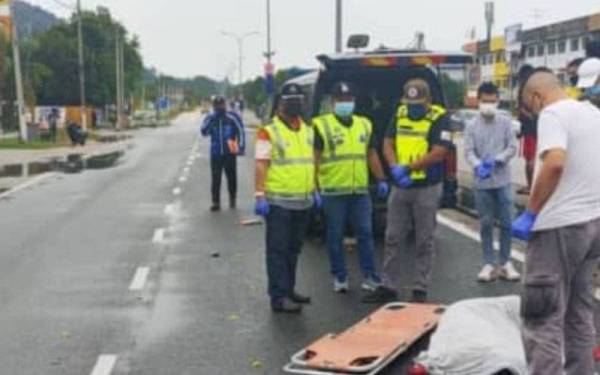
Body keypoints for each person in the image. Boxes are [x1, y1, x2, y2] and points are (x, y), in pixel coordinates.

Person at [512, 68, 600, 375]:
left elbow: (555, 162)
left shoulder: (553, 114)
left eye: (529, 107)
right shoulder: (592, 113)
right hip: (592, 224)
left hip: (557, 228)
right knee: (579, 313)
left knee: (542, 317)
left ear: (536, 97)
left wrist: (531, 212)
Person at [363, 78, 452, 304]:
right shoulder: (400, 113)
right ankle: (388, 285)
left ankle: (420, 288)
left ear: (428, 100)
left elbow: (440, 152)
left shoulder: (440, 117)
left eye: (418, 103)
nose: (413, 107)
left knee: (424, 239)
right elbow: (387, 142)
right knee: (392, 236)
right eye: (410, 103)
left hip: (427, 187)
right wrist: (393, 167)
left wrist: (409, 168)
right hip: (401, 186)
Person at [313, 82, 389, 293]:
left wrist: (381, 179)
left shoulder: (363, 124)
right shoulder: (321, 125)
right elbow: (315, 159)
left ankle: (370, 277)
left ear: (354, 101)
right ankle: (340, 276)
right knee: (335, 235)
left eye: (348, 100)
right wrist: (314, 187)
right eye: (341, 100)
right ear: (333, 102)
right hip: (333, 191)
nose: (345, 103)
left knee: (365, 232)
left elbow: (371, 153)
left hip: (359, 191)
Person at [254, 83, 317, 313]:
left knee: (294, 250)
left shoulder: (307, 129)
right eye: (290, 101)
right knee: (278, 251)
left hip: (303, 200)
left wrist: (315, 190)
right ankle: (278, 297)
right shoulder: (268, 131)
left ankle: (289, 290)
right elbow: (261, 164)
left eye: (298, 100)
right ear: (280, 104)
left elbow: (311, 162)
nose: (295, 104)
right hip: (279, 202)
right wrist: (260, 194)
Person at [464, 82, 519, 282]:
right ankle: (489, 262)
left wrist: (497, 159)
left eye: (492, 101)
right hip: (482, 182)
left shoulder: (506, 122)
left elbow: (512, 147)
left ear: (497, 101)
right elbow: (468, 151)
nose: (489, 105)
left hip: (503, 180)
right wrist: (478, 165)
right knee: (486, 223)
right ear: (478, 101)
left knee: (506, 223)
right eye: (485, 101)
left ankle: (505, 262)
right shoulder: (471, 125)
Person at [200, 96, 245, 211]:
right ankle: (216, 202)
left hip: (230, 151)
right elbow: (204, 131)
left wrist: (241, 147)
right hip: (216, 153)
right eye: (217, 105)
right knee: (216, 178)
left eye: (222, 104)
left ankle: (232, 198)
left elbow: (240, 131)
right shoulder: (210, 117)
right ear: (214, 106)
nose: (220, 107)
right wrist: (213, 119)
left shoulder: (232, 117)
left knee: (231, 177)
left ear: (225, 104)